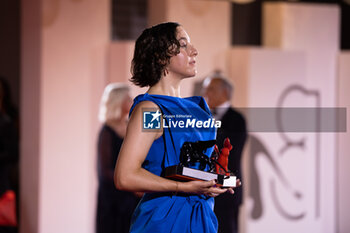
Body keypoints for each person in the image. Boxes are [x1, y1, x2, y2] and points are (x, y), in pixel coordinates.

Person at [114, 22, 240, 233]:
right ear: (161, 57)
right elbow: (124, 176)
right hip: (165, 221)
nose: (194, 51)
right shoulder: (152, 111)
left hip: (201, 218)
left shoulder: (196, 109)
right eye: (183, 44)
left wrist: (214, 181)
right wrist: (182, 187)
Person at [202, 72, 247, 233]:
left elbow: (228, 153)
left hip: (228, 190)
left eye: (211, 89)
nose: (206, 94)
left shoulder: (237, 120)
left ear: (225, 93)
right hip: (205, 189)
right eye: (205, 89)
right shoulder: (203, 117)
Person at [96, 83, 140, 233]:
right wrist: (129, 182)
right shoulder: (107, 131)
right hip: (113, 199)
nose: (132, 101)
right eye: (128, 98)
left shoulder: (131, 126)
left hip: (131, 196)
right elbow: (105, 171)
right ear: (118, 101)